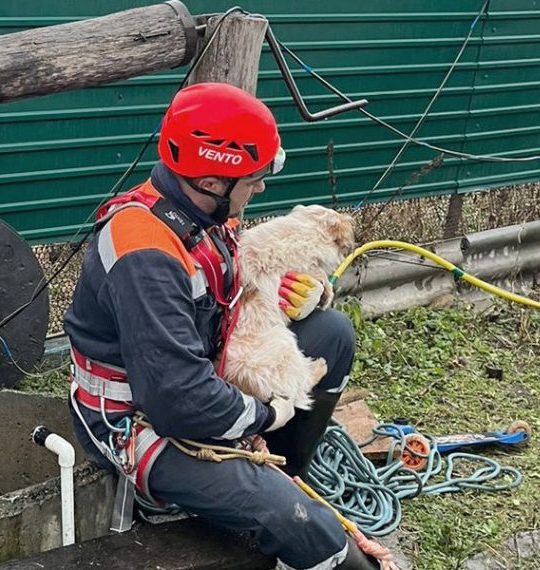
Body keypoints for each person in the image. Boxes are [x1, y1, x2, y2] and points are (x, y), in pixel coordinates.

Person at [63, 83, 383, 569]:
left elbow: (223, 288)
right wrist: (264, 416)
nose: (261, 186)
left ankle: (278, 476)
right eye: (252, 178)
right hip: (137, 418)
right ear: (213, 180)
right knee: (309, 531)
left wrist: (302, 291)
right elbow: (179, 402)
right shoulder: (144, 254)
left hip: (192, 382)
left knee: (331, 334)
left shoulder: (200, 210)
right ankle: (236, 504)